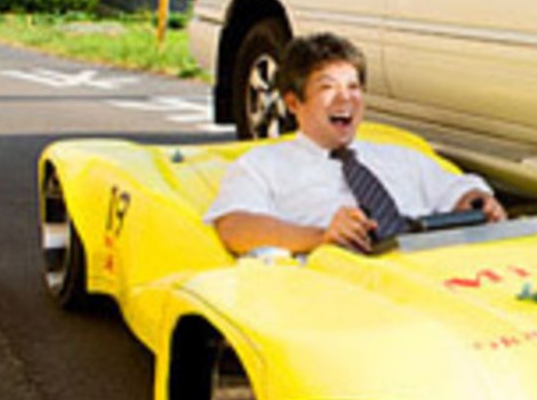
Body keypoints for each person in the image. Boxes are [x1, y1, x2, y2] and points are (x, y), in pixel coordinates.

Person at [205, 33, 505, 255]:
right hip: (342, 288)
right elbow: (235, 226)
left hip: (427, 275)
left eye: (353, 87)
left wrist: (478, 203)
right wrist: (322, 236)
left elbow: (459, 191)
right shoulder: (263, 165)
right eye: (327, 87)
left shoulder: (400, 157)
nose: (345, 98)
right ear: (293, 103)